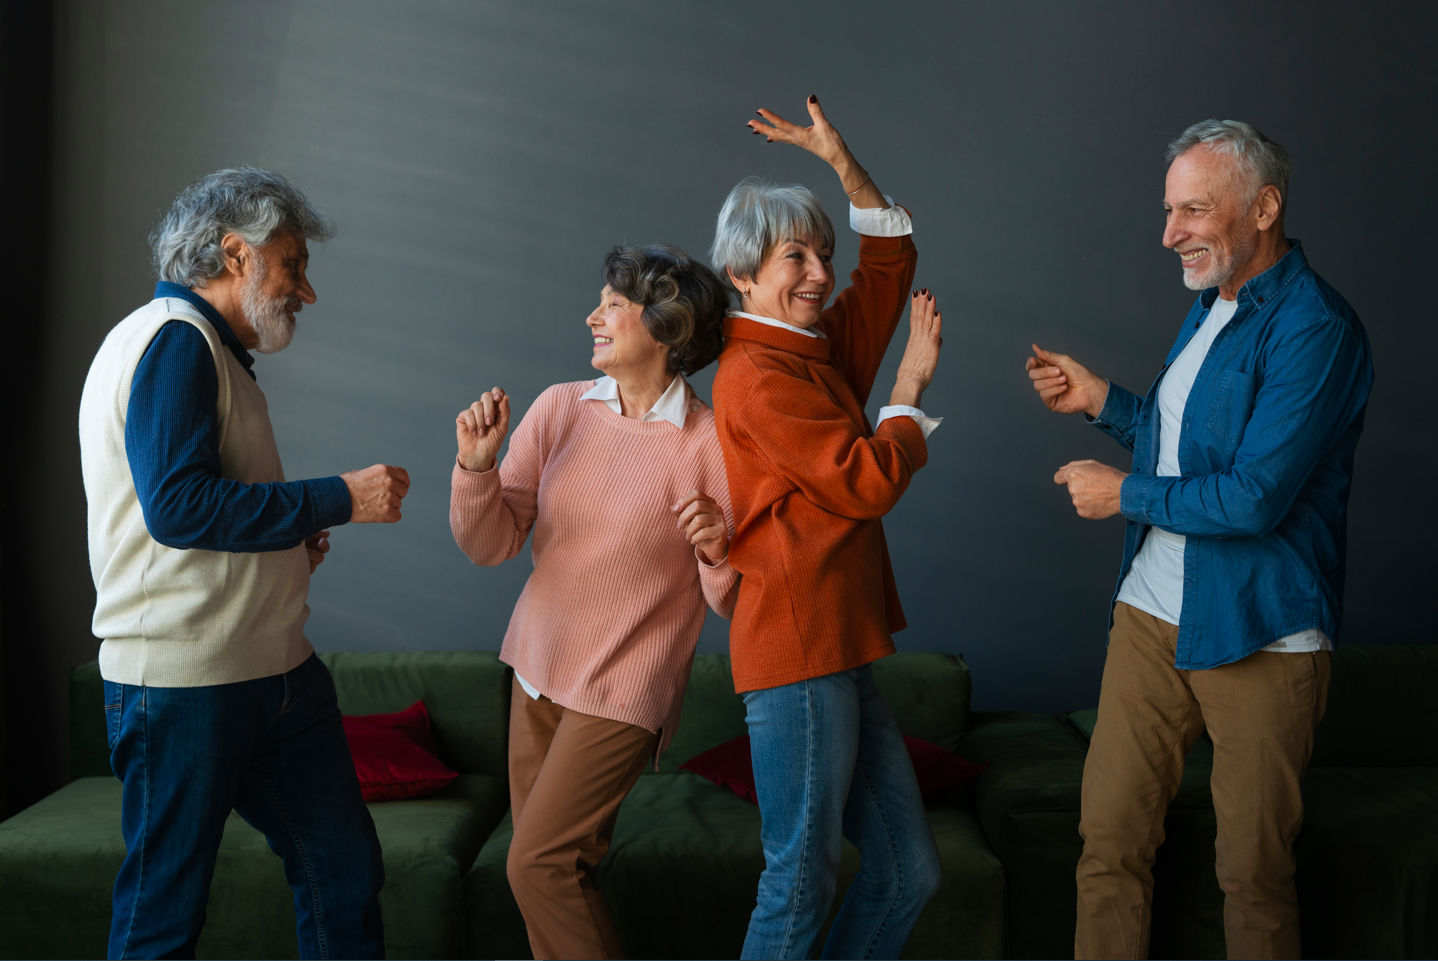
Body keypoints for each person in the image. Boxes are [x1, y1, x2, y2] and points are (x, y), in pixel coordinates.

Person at [1026, 120, 1373, 960]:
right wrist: (1104, 400)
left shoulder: (1315, 329)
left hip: (1258, 631)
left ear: (1264, 208)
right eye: (1168, 210)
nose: (1169, 234)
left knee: (1252, 873)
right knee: (1108, 845)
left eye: (1193, 211)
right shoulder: (1210, 305)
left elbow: (1254, 495)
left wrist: (1124, 495)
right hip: (1151, 613)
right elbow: (1187, 451)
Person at [78, 167, 412, 959]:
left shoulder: (206, 352)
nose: (307, 290)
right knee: (163, 919)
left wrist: (283, 553)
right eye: (292, 264)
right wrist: (339, 498)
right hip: (184, 688)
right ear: (235, 254)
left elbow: (197, 515)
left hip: (273, 674)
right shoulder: (174, 343)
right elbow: (180, 509)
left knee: (343, 873)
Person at [449, 244, 740, 960]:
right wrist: (476, 468)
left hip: (625, 685)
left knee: (536, 863)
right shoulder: (559, 408)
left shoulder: (708, 444)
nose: (593, 316)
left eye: (612, 304)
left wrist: (715, 549)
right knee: (555, 873)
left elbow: (732, 600)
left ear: (666, 326)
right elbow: (489, 545)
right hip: (535, 668)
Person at [709, 95, 945, 960]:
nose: (817, 272)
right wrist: (909, 392)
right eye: (793, 257)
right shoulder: (756, 377)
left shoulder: (807, 350)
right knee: (801, 877)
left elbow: (888, 264)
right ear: (741, 274)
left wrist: (842, 164)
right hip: (799, 658)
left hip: (838, 651)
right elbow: (866, 479)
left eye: (820, 253)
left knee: (906, 873)